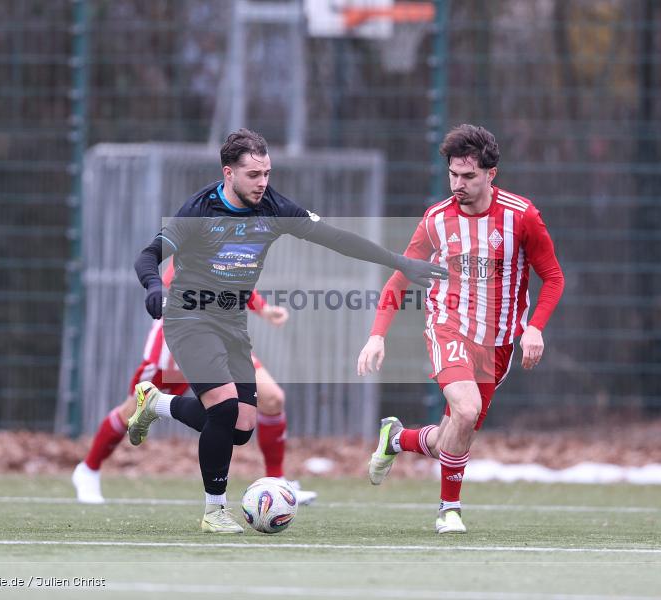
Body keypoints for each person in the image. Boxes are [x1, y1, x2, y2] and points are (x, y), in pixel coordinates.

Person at [130, 128, 447, 533]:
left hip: (231, 320)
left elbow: (336, 239)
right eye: (253, 175)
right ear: (228, 173)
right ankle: (214, 511)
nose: (263, 183)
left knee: (242, 428)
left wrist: (400, 262)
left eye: (267, 173)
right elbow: (148, 256)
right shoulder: (200, 209)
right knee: (224, 410)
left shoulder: (273, 206)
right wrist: (154, 285)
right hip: (190, 318)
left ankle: (156, 404)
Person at [357, 124, 564, 534]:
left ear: (491, 174)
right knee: (465, 410)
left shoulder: (522, 217)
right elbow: (400, 278)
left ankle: (397, 439)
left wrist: (535, 328)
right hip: (448, 327)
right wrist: (377, 334)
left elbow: (553, 277)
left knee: (457, 430)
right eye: (453, 174)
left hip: (499, 343)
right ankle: (448, 510)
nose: (458, 184)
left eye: (468, 176)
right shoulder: (436, 220)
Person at [71, 264, 317, 506]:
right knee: (132, 410)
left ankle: (277, 480)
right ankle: (88, 469)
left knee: (272, 398)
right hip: (181, 335)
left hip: (222, 337)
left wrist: (263, 309)